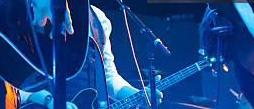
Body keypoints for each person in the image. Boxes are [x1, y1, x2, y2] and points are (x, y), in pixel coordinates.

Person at [16, 6, 163, 108]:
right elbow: (17, 80)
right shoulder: (36, 10)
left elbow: (108, 76)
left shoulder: (97, 18)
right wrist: (50, 101)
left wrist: (137, 94)